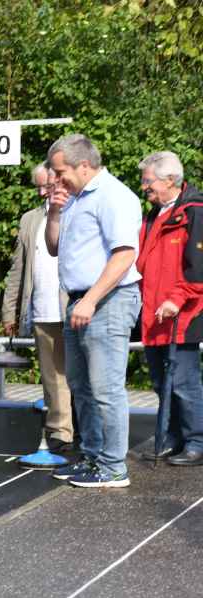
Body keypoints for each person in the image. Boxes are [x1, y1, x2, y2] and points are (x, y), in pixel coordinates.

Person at [44, 134, 142, 488]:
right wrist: (55, 210)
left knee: (106, 388)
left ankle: (114, 467)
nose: (57, 179)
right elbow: (54, 247)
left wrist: (91, 299)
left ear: (83, 165)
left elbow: (124, 254)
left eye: (60, 172)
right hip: (79, 301)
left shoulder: (114, 196)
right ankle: (93, 456)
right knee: (80, 386)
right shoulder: (73, 199)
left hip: (108, 301)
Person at [135, 151, 203, 466]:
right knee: (162, 383)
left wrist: (177, 299)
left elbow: (198, 269)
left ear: (170, 180)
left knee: (185, 383)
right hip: (154, 315)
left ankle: (197, 441)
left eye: (148, 181)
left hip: (183, 315)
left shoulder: (194, 212)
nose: (144, 187)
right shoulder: (152, 216)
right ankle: (173, 438)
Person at [1, 162, 74, 451]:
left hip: (74, 306)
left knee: (79, 375)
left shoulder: (78, 211)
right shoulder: (29, 219)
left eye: (48, 185)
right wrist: (10, 311)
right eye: (39, 187)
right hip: (42, 308)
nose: (43, 191)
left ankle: (83, 428)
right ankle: (60, 432)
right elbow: (17, 269)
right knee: (52, 377)